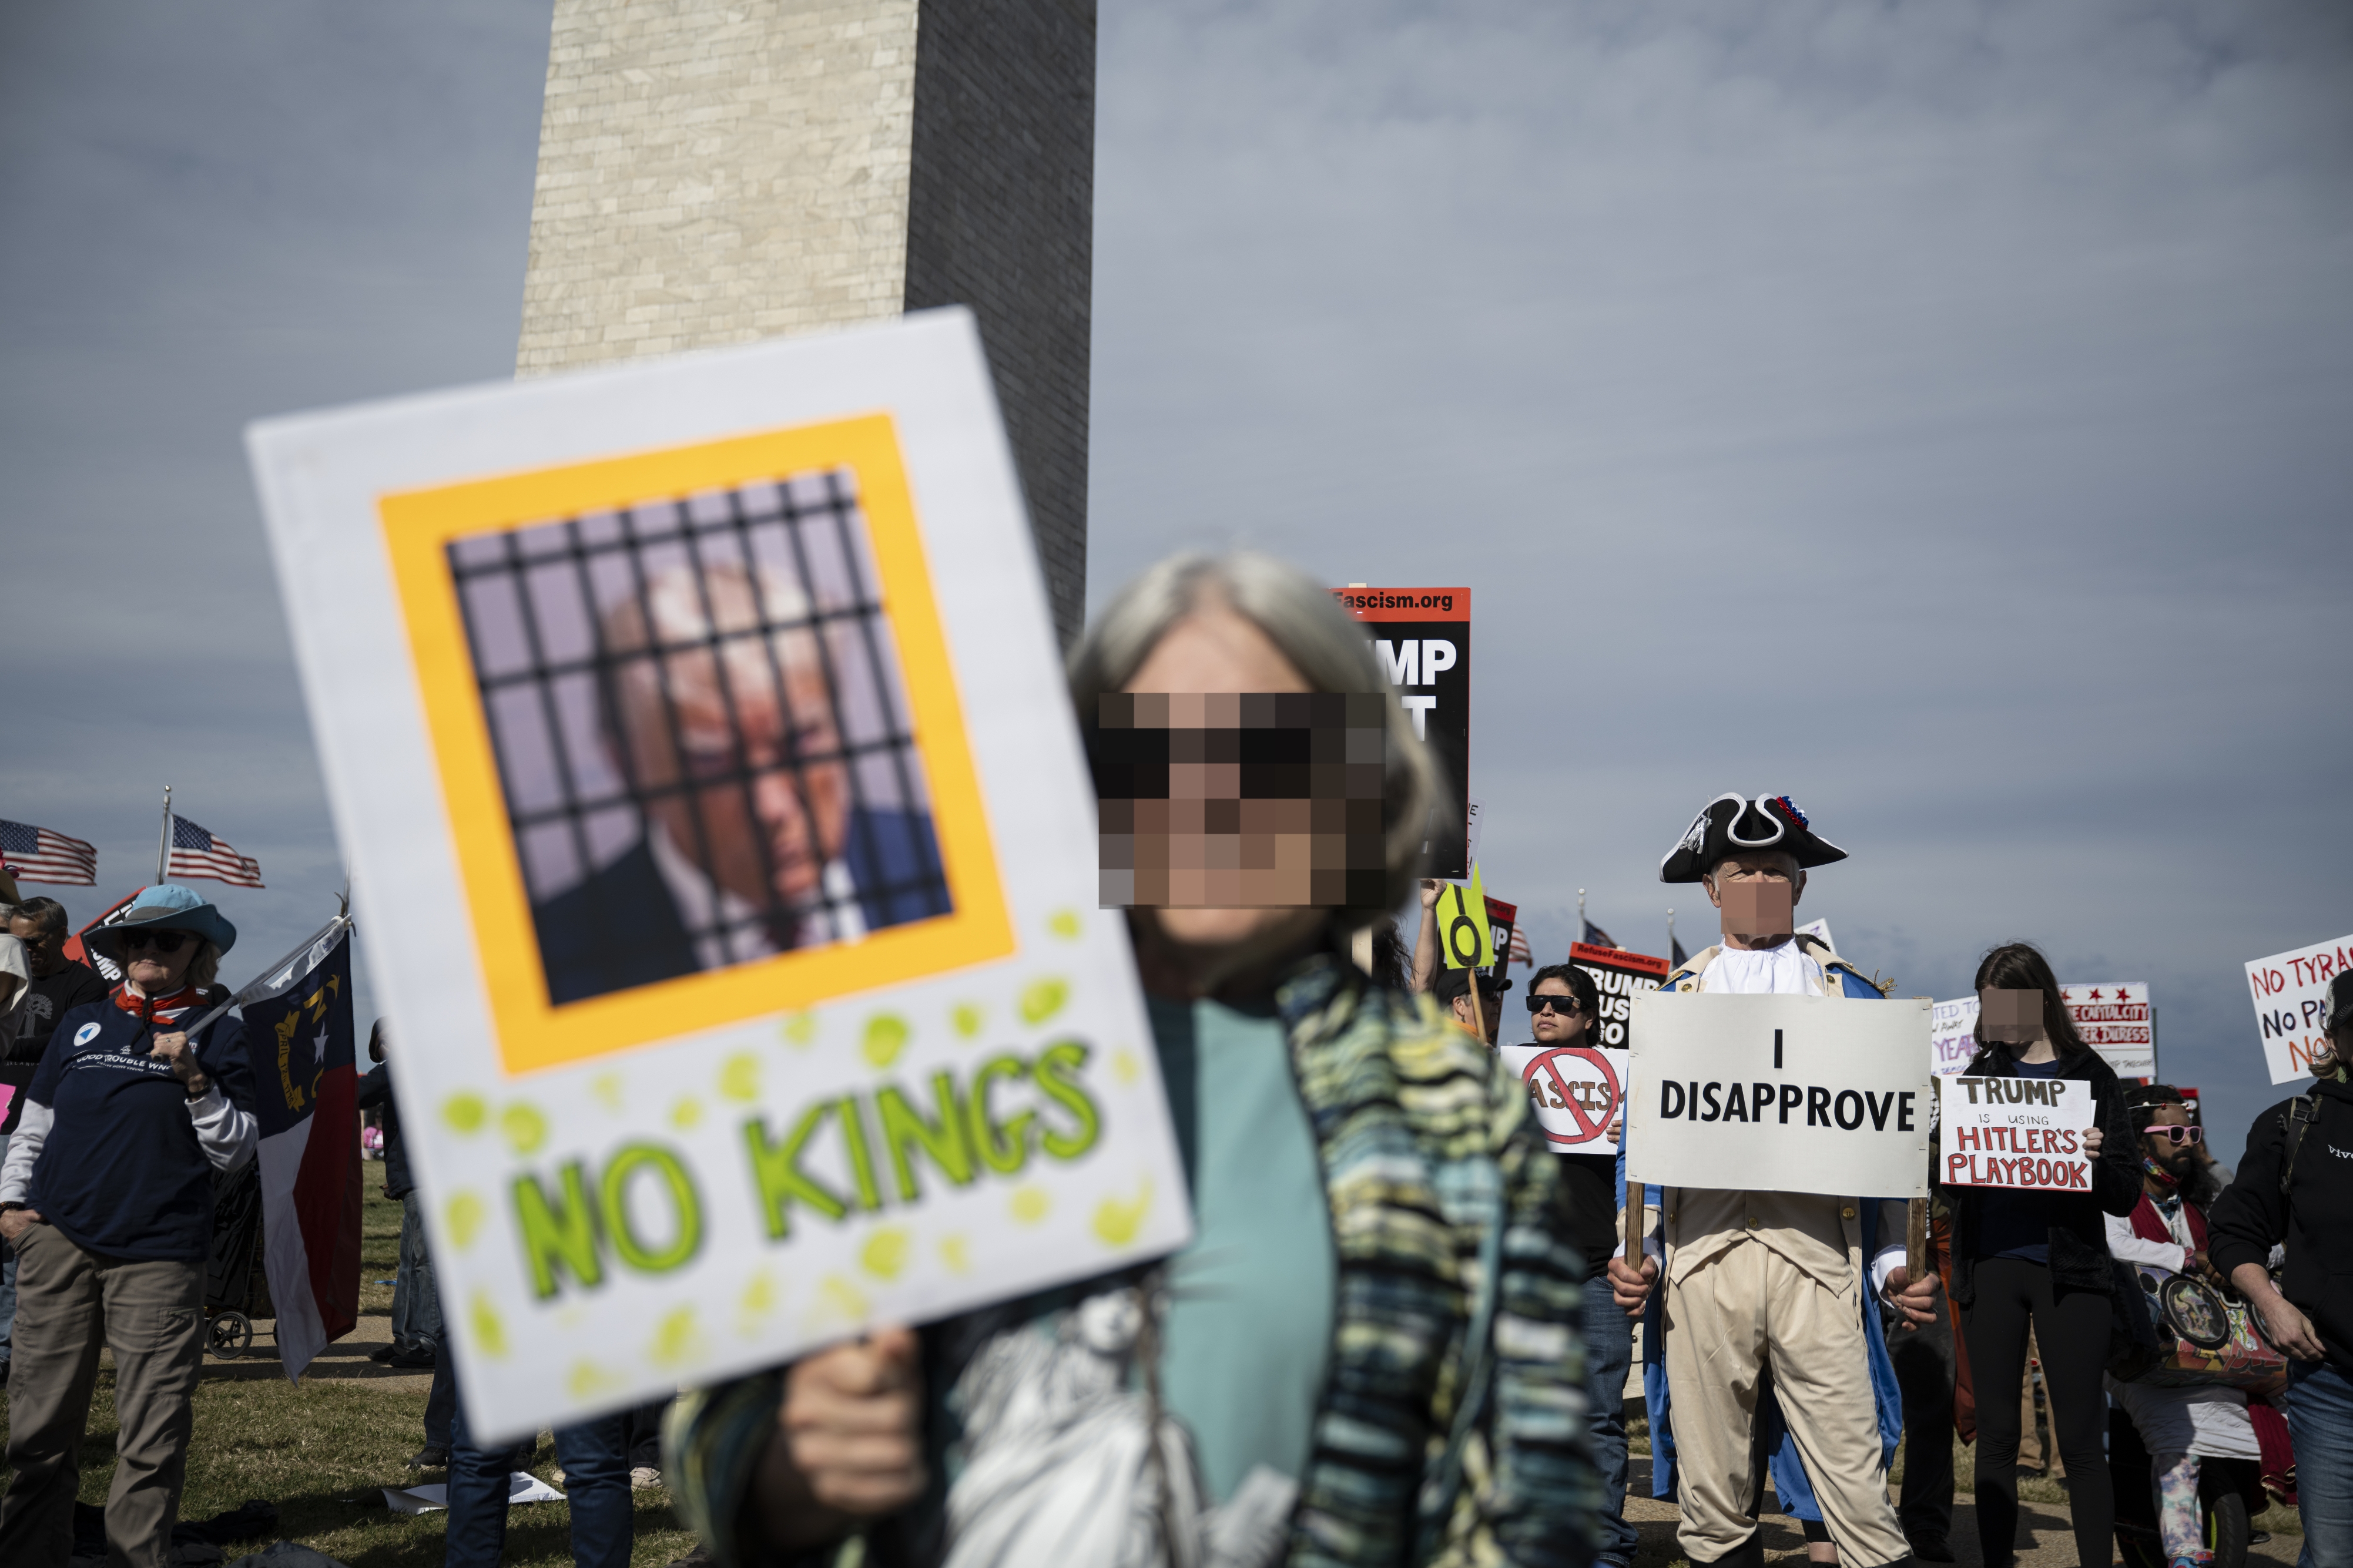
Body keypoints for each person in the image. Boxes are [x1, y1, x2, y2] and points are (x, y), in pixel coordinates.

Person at [665, 549, 1599, 1566]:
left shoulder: (1453, 1111)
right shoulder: (923, 1044)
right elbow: (719, 1415)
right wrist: (786, 1475)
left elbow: (1524, 1508)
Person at [1609, 792, 1937, 1568]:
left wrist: (1895, 1264)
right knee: (1713, 1494)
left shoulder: (1852, 996)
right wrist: (1642, 1249)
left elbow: (1887, 1146)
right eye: (1740, 869)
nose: (1758, 882)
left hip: (1818, 1251)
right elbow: (1641, 1147)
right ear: (1711, 888)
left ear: (1800, 885)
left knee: (1854, 1480)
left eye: (1774, 870)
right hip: (1702, 1251)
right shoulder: (1671, 1002)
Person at [527, 560, 948, 1006]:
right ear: (629, 771)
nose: (771, 806)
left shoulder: (957, 865)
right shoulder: (550, 970)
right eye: (711, 762)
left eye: (800, 740)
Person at [0, 885, 259, 1568]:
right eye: (136, 940)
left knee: (151, 1434)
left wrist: (195, 1078)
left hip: (160, 1254)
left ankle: (133, 1559)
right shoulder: (84, 1019)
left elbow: (234, 1150)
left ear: (199, 954)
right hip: (58, 1239)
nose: (148, 950)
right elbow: (35, 1122)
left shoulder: (223, 1029)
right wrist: (11, 1205)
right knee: (38, 1430)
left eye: (167, 940)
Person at [1937, 942, 2139, 1568]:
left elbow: (2125, 1193)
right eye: (1984, 1001)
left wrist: (2097, 1157)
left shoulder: (2091, 1074)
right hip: (1991, 1267)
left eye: (2001, 1000)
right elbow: (1944, 1182)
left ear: (2038, 998)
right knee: (1995, 1435)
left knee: (2080, 1439)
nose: (1990, 1012)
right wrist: (1939, 1142)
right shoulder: (1976, 1075)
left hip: (2069, 1272)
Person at [2209, 969, 2353, 1568]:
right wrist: (2271, 1304)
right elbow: (2232, 1232)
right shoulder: (2292, 1123)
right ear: (2335, 1036)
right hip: (2330, 1382)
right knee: (2331, 1554)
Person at [1514, 961, 1641, 1568]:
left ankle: (1603, 1550)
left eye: (1561, 1004)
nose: (1545, 1010)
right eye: (1536, 1000)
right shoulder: (1502, 1077)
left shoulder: (1624, 1082)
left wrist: (1631, 1130)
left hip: (1596, 1271)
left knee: (1595, 1418)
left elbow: (1643, 1183)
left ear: (1588, 1017)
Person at [2103, 1084, 2258, 1568]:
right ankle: (2186, 1553)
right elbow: (2114, 1246)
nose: (2187, 1140)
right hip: (2139, 1358)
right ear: (2138, 1140)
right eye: (2173, 1131)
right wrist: (2189, 1259)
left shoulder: (2201, 1205)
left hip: (2213, 1360)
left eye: (2192, 1131)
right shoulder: (2113, 1197)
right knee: (2178, 1440)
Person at [2, 898, 110, 1382]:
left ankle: (8, 1348)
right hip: (2, 1113)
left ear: (61, 936)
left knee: (18, 1243)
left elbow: (75, 1044)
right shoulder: (6, 978)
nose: (26, 950)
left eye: (34, 941)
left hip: (41, 1124)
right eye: (17, 941)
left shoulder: (85, 986)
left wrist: (11, 1045)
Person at [356, 1021, 441, 1375]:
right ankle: (405, 1338)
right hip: (412, 1178)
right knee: (408, 1262)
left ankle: (428, 1341)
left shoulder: (405, 1065)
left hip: (427, 1178)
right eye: (384, 1041)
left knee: (425, 1262)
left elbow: (359, 1093)